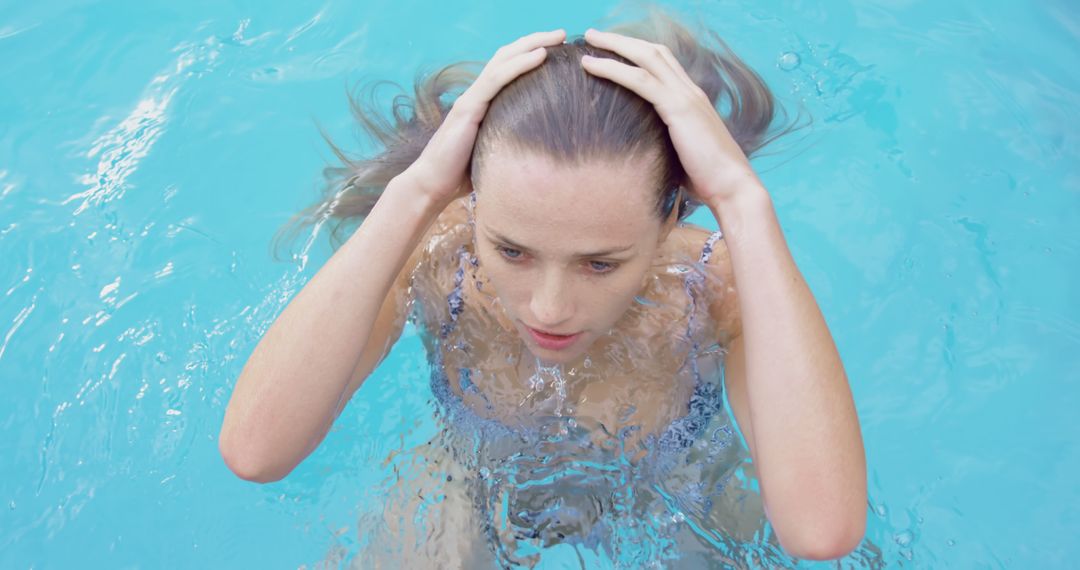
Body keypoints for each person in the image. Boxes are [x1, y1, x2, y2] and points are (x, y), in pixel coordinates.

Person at [219, 9, 867, 565]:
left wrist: (740, 200)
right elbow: (256, 452)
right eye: (511, 250)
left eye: (600, 263)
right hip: (477, 485)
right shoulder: (440, 254)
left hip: (677, 492)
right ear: (472, 199)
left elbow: (821, 531)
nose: (549, 306)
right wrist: (415, 191)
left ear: (672, 216)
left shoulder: (711, 282)